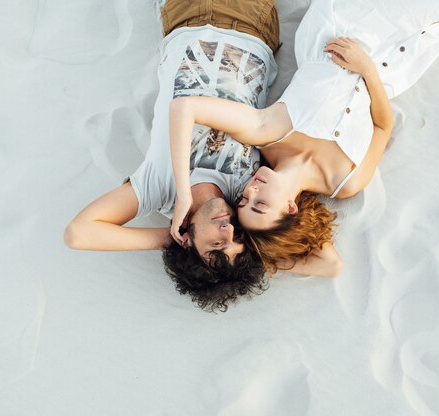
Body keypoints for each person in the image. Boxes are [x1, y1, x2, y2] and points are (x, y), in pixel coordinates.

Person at [64, 0, 341, 313]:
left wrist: (173, 236)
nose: (228, 231)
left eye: (216, 245)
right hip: (252, 21)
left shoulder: (159, 188)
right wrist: (253, 251)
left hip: (188, 15)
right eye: (236, 238)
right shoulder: (248, 193)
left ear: (188, 244)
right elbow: (329, 264)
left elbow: (78, 233)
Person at [168, 0, 439, 271]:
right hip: (396, 58)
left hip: (345, 23)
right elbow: (383, 126)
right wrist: (368, 71)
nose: (251, 191)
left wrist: (185, 199)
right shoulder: (345, 182)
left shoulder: (266, 133)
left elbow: (186, 107)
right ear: (290, 208)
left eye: (243, 200)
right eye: (259, 205)